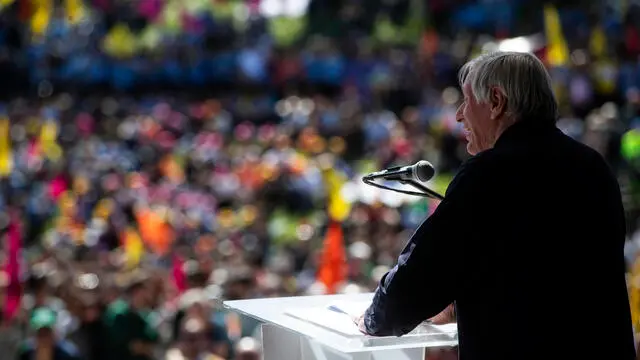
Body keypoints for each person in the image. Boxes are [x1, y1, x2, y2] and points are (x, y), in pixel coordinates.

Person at [357, 51, 636, 360]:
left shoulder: (489, 172)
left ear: (496, 101)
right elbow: (542, 271)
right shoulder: (593, 166)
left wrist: (374, 317)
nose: (460, 115)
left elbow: (417, 280)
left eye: (466, 101)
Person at [16, 307, 83, 360]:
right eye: (40, 333)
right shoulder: (25, 353)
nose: (44, 338)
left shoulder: (69, 354)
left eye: (46, 332)